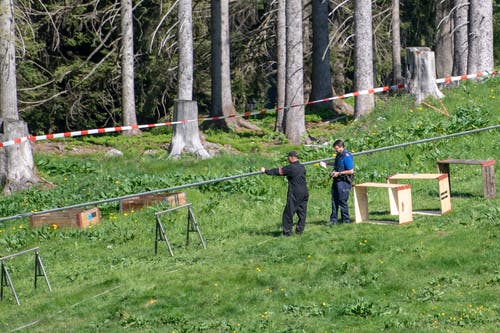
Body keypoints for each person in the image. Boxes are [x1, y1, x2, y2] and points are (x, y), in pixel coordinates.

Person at [261, 151, 309, 236]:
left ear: (291, 157)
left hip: (295, 192)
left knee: (288, 213)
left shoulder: (291, 168)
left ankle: (287, 232)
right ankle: (299, 231)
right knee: (302, 212)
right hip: (304, 192)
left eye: (288, 157)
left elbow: (278, 171)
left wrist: (266, 171)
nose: (288, 159)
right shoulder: (302, 167)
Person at [320, 140, 354, 225]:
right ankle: (333, 220)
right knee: (334, 200)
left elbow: (351, 171)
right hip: (336, 181)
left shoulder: (347, 156)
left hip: (344, 181)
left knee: (342, 201)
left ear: (342, 147)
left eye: (337, 148)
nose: (336, 150)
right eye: (335, 149)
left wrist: (339, 173)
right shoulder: (339, 155)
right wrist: (327, 163)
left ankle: (345, 220)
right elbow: (337, 164)